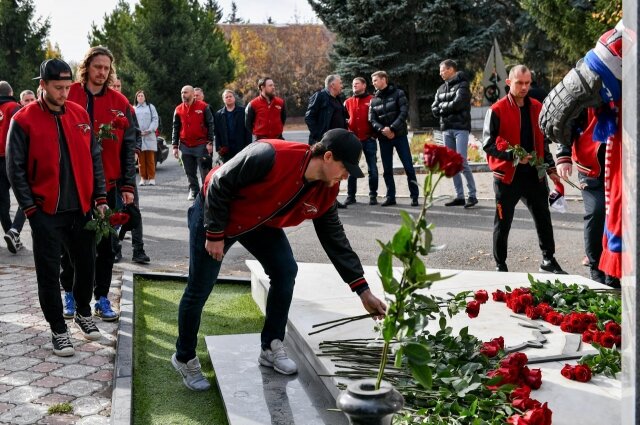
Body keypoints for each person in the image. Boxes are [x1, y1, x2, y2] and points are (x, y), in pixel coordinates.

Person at [172, 128, 387, 391]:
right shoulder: (270, 154)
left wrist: (362, 291)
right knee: (200, 286)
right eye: (346, 169)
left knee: (285, 270)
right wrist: (214, 233)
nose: (346, 176)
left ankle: (271, 346)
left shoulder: (327, 191)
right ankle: (184, 357)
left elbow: (335, 241)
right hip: (216, 211)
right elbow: (219, 182)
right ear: (328, 157)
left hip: (259, 220)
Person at [6, 58, 107, 356]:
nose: (65, 93)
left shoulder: (79, 114)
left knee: (86, 265)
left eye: (67, 87)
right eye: (58, 87)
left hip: (81, 210)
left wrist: (100, 198)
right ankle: (58, 329)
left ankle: (83, 312)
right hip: (45, 212)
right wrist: (30, 211)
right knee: (48, 273)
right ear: (43, 85)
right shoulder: (23, 120)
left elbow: (95, 158)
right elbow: (15, 170)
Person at [540, 22, 623, 287]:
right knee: (597, 212)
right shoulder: (589, 94)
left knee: (614, 215)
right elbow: (567, 124)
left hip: (617, 169)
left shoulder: (622, 95)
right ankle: (596, 265)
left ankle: (613, 270)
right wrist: (563, 156)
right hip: (591, 167)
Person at [64, 46, 137, 322]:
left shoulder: (120, 102)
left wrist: (128, 186)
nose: (102, 72)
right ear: (86, 67)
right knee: (71, 242)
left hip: (110, 183)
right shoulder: (70, 94)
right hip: (74, 183)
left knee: (106, 245)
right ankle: (69, 293)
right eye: (97, 67)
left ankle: (102, 297)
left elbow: (129, 145)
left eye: (106, 68)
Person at [482, 64, 566, 274]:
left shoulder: (538, 107)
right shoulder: (496, 110)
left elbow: (543, 143)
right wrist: (513, 155)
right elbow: (488, 143)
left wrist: (551, 168)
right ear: (509, 82)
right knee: (503, 223)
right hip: (507, 177)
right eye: (519, 83)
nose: (524, 87)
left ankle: (548, 259)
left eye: (527, 83)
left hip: (534, 176)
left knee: (543, 218)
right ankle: (500, 264)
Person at [369, 71, 419, 207]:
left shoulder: (398, 93)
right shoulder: (374, 100)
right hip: (384, 138)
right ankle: (391, 197)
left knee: (408, 166)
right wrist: (382, 130)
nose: (373, 83)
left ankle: (415, 196)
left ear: (384, 79)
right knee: (387, 169)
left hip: (400, 136)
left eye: (375, 80)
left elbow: (403, 112)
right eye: (372, 81)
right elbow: (372, 119)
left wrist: (392, 128)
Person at [432, 59, 478, 208]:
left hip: (460, 128)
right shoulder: (440, 88)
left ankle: (472, 195)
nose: (440, 73)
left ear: (451, 69)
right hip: (446, 129)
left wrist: (442, 107)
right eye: (440, 71)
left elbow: (459, 104)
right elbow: (434, 108)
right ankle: (460, 196)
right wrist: (444, 108)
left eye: (442, 70)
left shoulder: (463, 85)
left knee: (461, 161)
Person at [304, 74, 349, 208]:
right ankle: (314, 201)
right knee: (321, 172)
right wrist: (320, 137)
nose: (342, 85)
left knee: (336, 171)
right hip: (324, 143)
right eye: (340, 83)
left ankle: (332, 200)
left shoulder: (338, 99)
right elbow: (309, 117)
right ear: (332, 85)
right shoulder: (320, 96)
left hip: (338, 143)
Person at [172, 85, 214, 201]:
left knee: (204, 172)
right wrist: (175, 146)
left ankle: (206, 192)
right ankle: (194, 190)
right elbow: (175, 128)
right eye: (181, 93)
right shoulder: (178, 109)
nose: (183, 95)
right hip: (185, 145)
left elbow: (210, 124)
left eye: (185, 92)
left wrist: (210, 142)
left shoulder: (204, 107)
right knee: (189, 171)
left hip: (201, 144)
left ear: (191, 93)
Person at [0, 81, 26, 253]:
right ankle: (14, 230)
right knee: (26, 196)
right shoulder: (14, 107)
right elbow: (22, 130)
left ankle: (11, 233)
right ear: (11, 92)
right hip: (12, 158)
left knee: (3, 202)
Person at [344, 77, 378, 205]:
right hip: (353, 141)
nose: (354, 86)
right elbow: (345, 120)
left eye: (357, 84)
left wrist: (374, 135)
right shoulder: (347, 102)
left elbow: (378, 118)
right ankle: (351, 196)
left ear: (364, 86)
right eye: (353, 84)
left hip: (369, 140)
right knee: (352, 169)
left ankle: (373, 195)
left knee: (373, 169)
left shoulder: (372, 100)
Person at [212, 89, 252, 163]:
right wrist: (219, 148)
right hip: (226, 148)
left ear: (234, 98)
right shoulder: (219, 114)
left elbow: (248, 130)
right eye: (226, 97)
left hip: (241, 146)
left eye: (230, 96)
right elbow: (217, 133)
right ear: (223, 100)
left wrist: (248, 146)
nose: (229, 98)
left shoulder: (242, 112)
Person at [134, 90, 159, 185]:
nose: (140, 97)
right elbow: (132, 122)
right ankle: (143, 178)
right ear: (136, 98)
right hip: (139, 136)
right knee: (141, 160)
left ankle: (152, 178)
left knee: (150, 159)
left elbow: (155, 119)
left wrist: (149, 130)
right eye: (139, 96)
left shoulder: (150, 107)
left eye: (142, 96)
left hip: (149, 135)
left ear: (145, 97)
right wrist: (138, 131)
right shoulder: (134, 108)